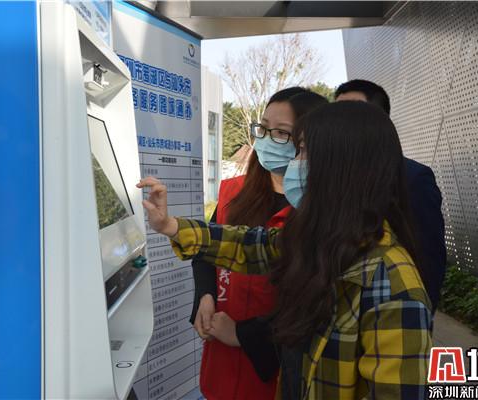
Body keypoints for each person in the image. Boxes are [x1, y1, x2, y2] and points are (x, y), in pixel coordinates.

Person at [139, 101, 433, 400]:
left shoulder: (393, 285)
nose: (295, 163)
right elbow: (250, 245)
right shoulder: (319, 241)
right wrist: (170, 225)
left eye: (302, 151)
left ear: (341, 168)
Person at [191, 87, 328, 400]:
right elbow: (207, 251)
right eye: (263, 128)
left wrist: (242, 334)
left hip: (275, 369)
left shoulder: (319, 213)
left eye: (281, 132)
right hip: (221, 359)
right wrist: (205, 296)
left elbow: (317, 306)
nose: (266, 139)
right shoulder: (233, 193)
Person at [335, 79, 447, 311]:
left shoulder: (413, 177)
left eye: (352, 112)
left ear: (380, 121)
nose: (340, 121)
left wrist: (421, 314)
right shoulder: (336, 176)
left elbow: (429, 257)